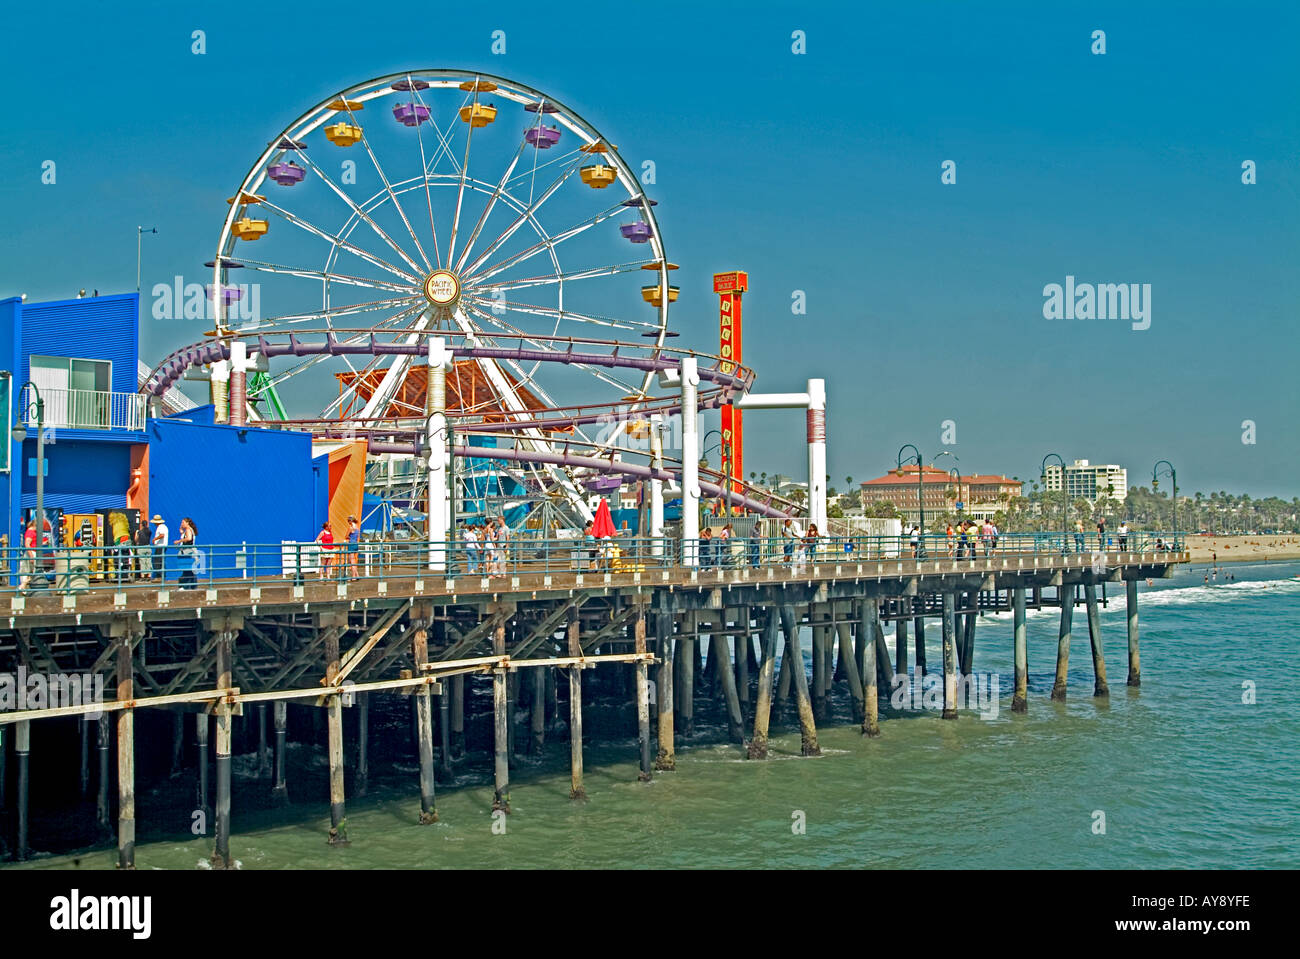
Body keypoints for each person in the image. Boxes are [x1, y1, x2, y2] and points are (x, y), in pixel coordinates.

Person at [177, 517, 199, 589]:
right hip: (190, 551)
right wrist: (182, 532)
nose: (181, 524)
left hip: (188, 551)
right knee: (190, 570)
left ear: (187, 523)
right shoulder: (189, 530)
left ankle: (185, 587)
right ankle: (192, 586)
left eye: (183, 522)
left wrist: (178, 541)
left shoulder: (188, 529)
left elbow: (189, 538)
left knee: (187, 569)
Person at [152, 513, 170, 581]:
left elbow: (162, 535)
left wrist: (155, 539)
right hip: (161, 546)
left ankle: (159, 576)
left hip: (160, 546)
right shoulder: (163, 527)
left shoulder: (161, 527)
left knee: (157, 561)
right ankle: (161, 576)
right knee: (160, 561)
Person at [346, 515, 361, 581]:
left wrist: (349, 537)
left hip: (351, 543)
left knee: (352, 561)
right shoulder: (357, 528)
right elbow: (358, 537)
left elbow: (346, 536)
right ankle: (357, 574)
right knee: (353, 560)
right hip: (356, 544)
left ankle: (353, 576)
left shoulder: (351, 528)